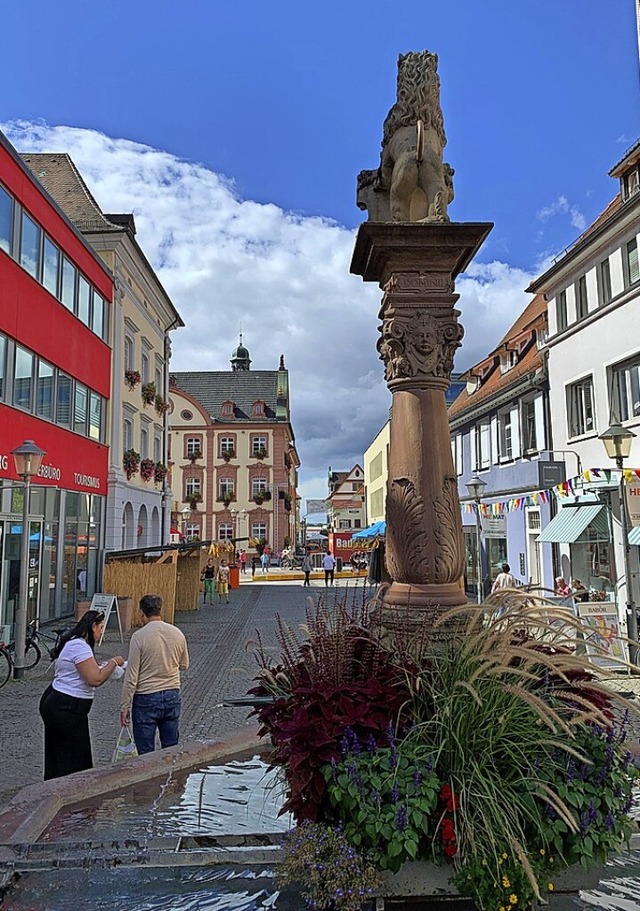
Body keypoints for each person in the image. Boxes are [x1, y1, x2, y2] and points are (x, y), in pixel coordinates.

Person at [39, 610, 125, 780]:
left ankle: (57, 785)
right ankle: (69, 791)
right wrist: (115, 662)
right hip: (66, 707)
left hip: (62, 704)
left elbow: (88, 671)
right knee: (72, 756)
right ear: (93, 626)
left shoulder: (75, 643)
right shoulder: (80, 646)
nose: (101, 633)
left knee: (61, 753)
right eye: (101, 628)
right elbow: (95, 678)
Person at [120, 594, 189, 755]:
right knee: (171, 749)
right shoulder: (177, 633)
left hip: (146, 697)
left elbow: (131, 677)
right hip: (172, 694)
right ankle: (172, 779)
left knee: (145, 752)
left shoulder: (139, 637)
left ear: (142, 613)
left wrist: (124, 706)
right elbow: (184, 665)